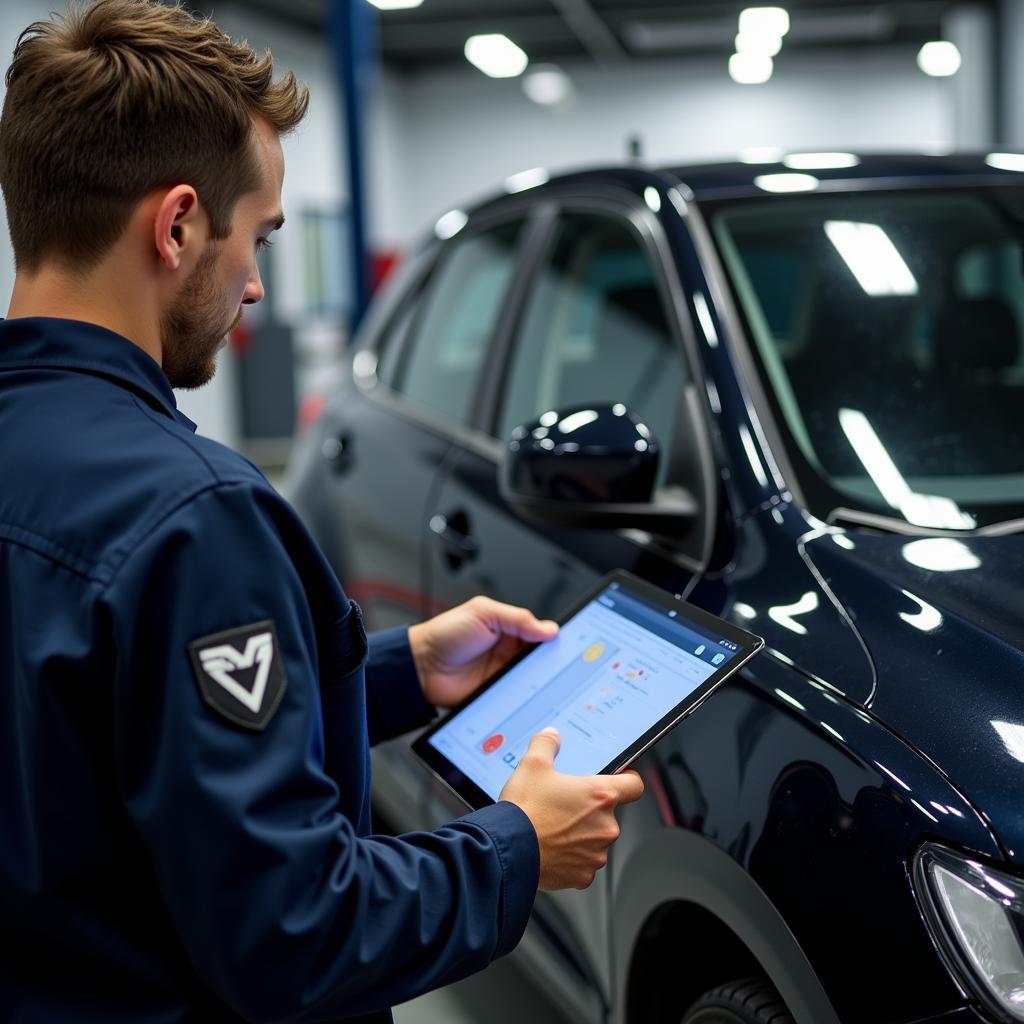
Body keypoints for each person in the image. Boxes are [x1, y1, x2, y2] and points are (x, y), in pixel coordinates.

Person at [0, 2, 644, 1021]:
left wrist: (388, 672)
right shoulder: (192, 518)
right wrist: (515, 845)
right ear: (175, 226)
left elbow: (95, 747)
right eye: (256, 237)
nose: (255, 283)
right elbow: (293, 931)